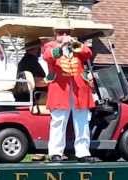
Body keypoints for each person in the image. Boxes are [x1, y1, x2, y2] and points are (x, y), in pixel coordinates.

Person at [43, 22, 97, 163]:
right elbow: (48, 57)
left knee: (82, 121)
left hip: (79, 90)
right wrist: (61, 46)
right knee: (58, 121)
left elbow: (88, 53)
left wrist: (75, 43)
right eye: (61, 33)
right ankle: (55, 152)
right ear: (56, 35)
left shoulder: (76, 46)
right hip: (60, 89)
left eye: (67, 32)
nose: (65, 35)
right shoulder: (50, 46)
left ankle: (83, 152)